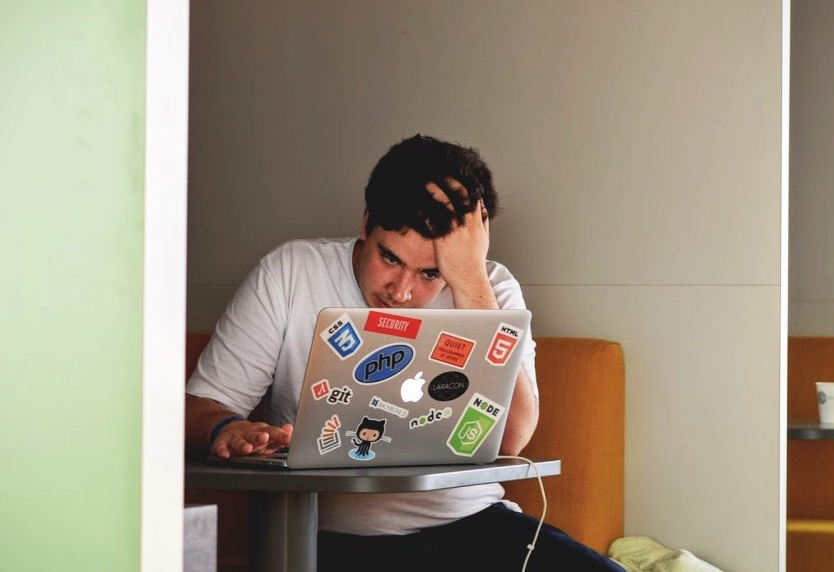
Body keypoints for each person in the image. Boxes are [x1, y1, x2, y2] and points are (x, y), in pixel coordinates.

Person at [185, 135, 621, 571]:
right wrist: (227, 427)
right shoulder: (291, 272)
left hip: (471, 524)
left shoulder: (490, 288)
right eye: (390, 258)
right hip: (330, 539)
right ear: (366, 223)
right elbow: (198, 407)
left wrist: (468, 278)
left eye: (431, 272)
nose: (403, 290)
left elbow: (513, 438)